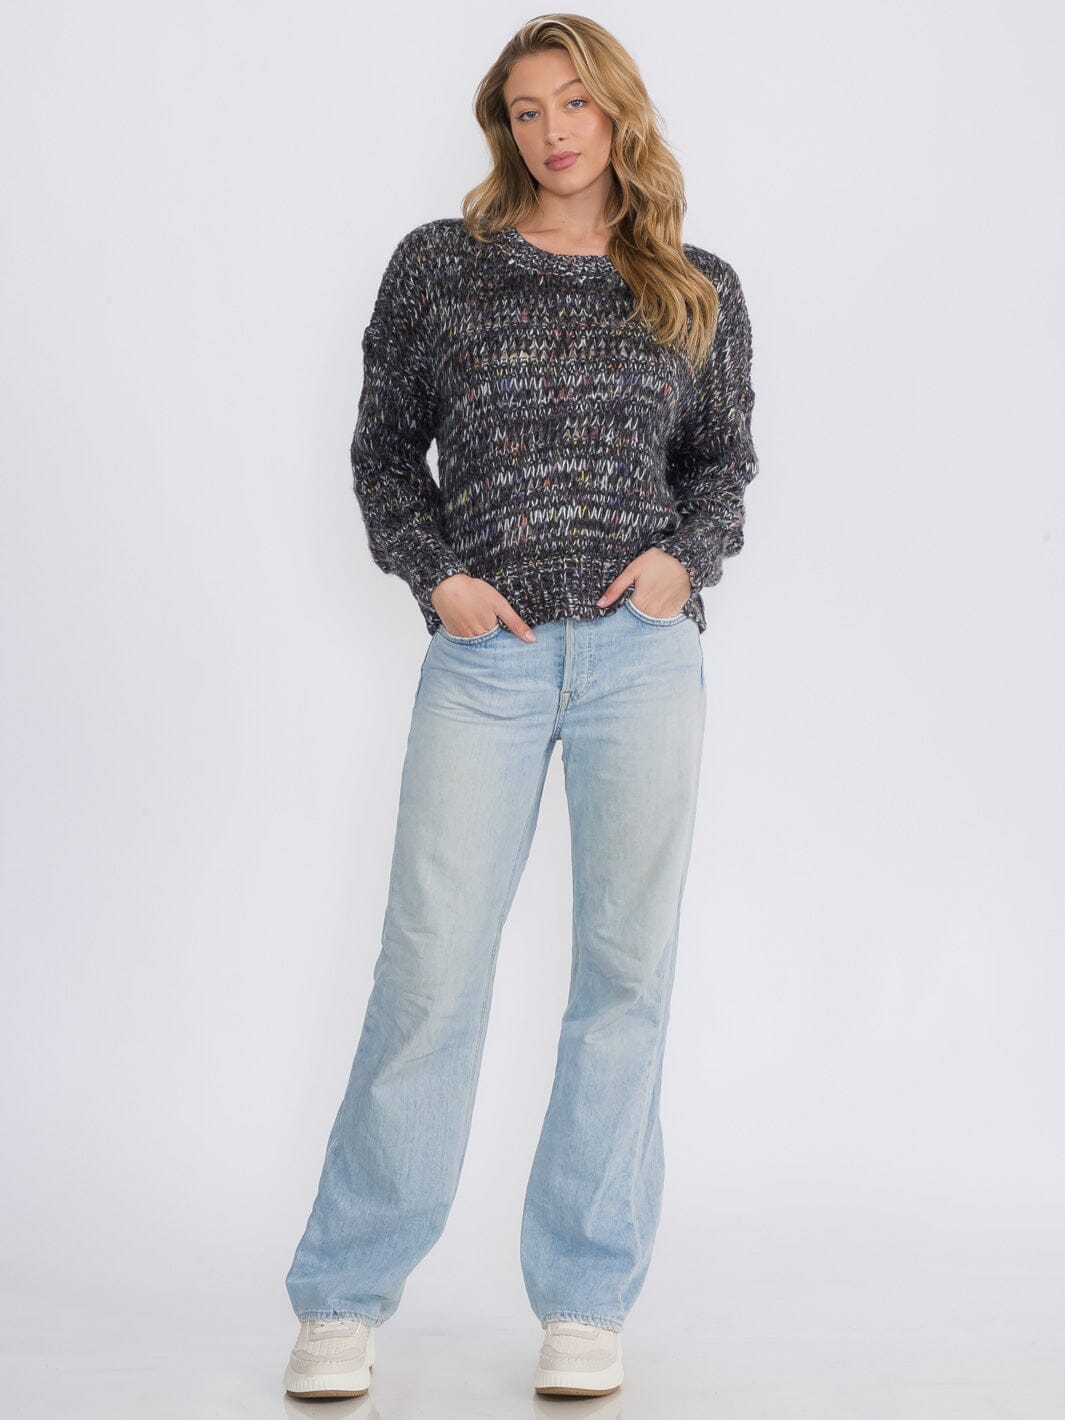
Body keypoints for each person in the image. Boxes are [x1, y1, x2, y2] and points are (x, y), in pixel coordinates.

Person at [283, 13, 759, 1400]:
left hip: (640, 659)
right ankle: (344, 1295)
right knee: (429, 974)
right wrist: (435, 577)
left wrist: (683, 562)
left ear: (620, 114)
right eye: (527, 108)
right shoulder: (443, 266)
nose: (553, 131)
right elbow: (383, 450)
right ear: (504, 126)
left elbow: (723, 459)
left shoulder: (696, 285)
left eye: (576, 104)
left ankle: (585, 1298)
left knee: (624, 980)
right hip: (486, 661)